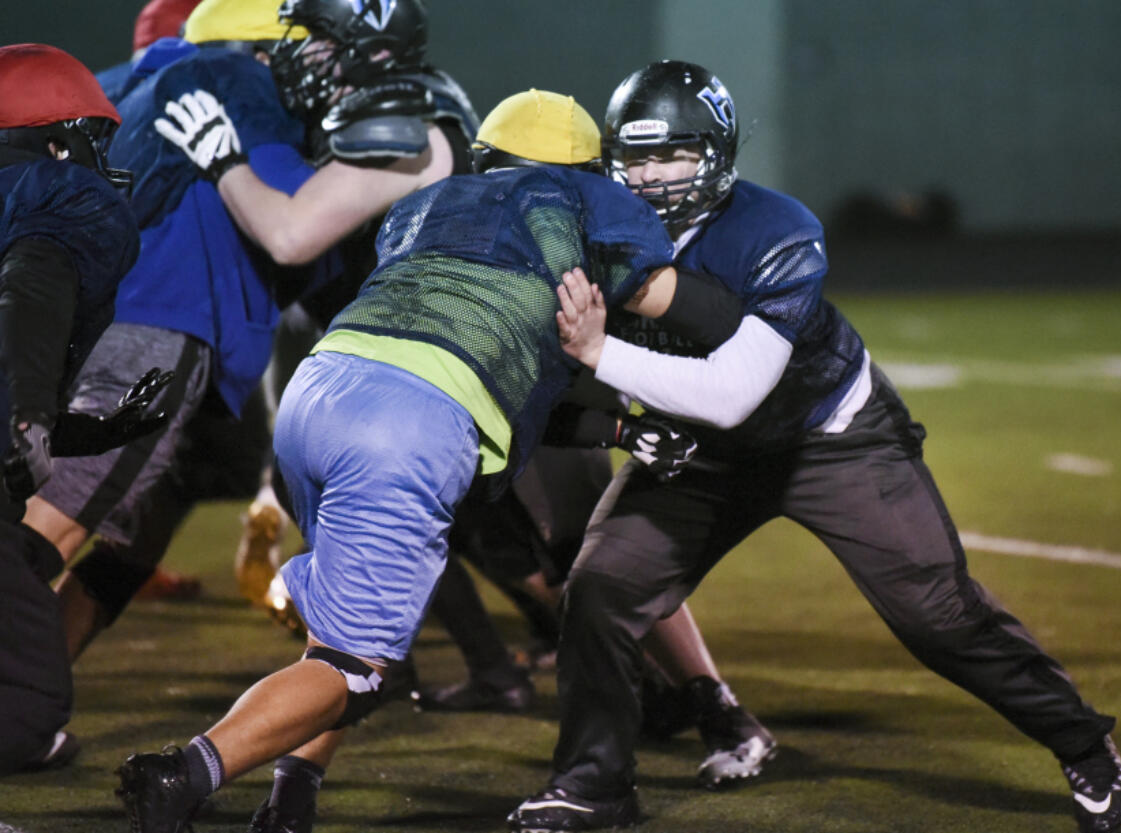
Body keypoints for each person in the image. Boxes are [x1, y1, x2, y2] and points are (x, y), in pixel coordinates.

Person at [509, 60, 1121, 833]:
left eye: (674, 155)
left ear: (719, 153)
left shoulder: (777, 229)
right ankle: (594, 783)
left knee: (937, 614)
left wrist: (601, 354)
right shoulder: (590, 230)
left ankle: (1084, 742)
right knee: (600, 588)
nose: (653, 178)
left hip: (828, 436)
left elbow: (737, 389)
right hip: (702, 452)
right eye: (637, 158)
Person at [113, 86, 745, 833]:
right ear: (587, 167)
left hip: (319, 395)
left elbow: (486, 366)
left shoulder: (433, 204)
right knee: (357, 670)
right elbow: (702, 312)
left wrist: (610, 427)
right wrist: (737, 313)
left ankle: (292, 796)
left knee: (337, 636)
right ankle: (185, 773)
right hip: (407, 422)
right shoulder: (583, 198)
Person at [29, 0, 467, 662]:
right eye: (282, 42)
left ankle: (33, 687)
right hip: (161, 329)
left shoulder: (133, 83)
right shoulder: (236, 86)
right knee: (54, 524)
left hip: (138, 326)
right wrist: (234, 161)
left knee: (134, 532)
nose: (287, 57)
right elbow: (292, 231)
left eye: (312, 39)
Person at [0, 43, 168, 775]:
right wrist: (30, 417)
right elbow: (29, 297)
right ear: (57, 142)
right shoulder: (57, 203)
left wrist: (81, 427)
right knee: (30, 698)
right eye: (93, 140)